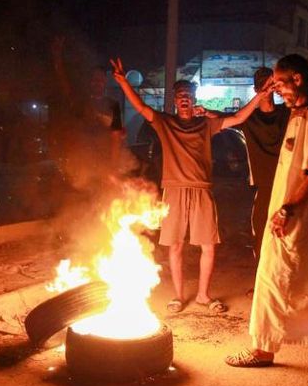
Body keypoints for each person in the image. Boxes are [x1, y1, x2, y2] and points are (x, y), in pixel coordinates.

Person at [226, 54, 308, 372]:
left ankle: (263, 350)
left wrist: (287, 210)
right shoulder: (300, 113)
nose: (277, 90)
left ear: (296, 80)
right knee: (295, 284)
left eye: (280, 83)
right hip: (292, 216)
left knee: (276, 280)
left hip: (298, 219)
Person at [111, 57, 274, 314]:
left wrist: (260, 96)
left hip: (202, 190)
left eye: (188, 94)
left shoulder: (206, 124)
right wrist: (123, 83)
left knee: (208, 245)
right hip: (174, 191)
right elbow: (141, 107)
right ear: (175, 100)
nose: (184, 98)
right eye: (180, 95)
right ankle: (178, 296)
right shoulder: (165, 122)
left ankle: (202, 296)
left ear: (194, 97)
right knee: (175, 245)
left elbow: (240, 117)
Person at [201, 67, 289, 262]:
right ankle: (261, 279)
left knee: (289, 231)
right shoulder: (250, 118)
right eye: (266, 85)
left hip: (287, 181)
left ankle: (285, 280)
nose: (269, 89)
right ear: (258, 88)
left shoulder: (286, 112)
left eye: (272, 85)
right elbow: (225, 117)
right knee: (260, 229)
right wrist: (205, 111)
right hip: (264, 183)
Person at [50, 36, 127, 189]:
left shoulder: (113, 105)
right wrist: (57, 59)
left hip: (104, 162)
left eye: (100, 79)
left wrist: (114, 166)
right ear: (89, 81)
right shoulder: (81, 101)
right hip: (83, 162)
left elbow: (116, 136)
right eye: (94, 79)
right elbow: (64, 84)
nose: (97, 82)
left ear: (105, 82)